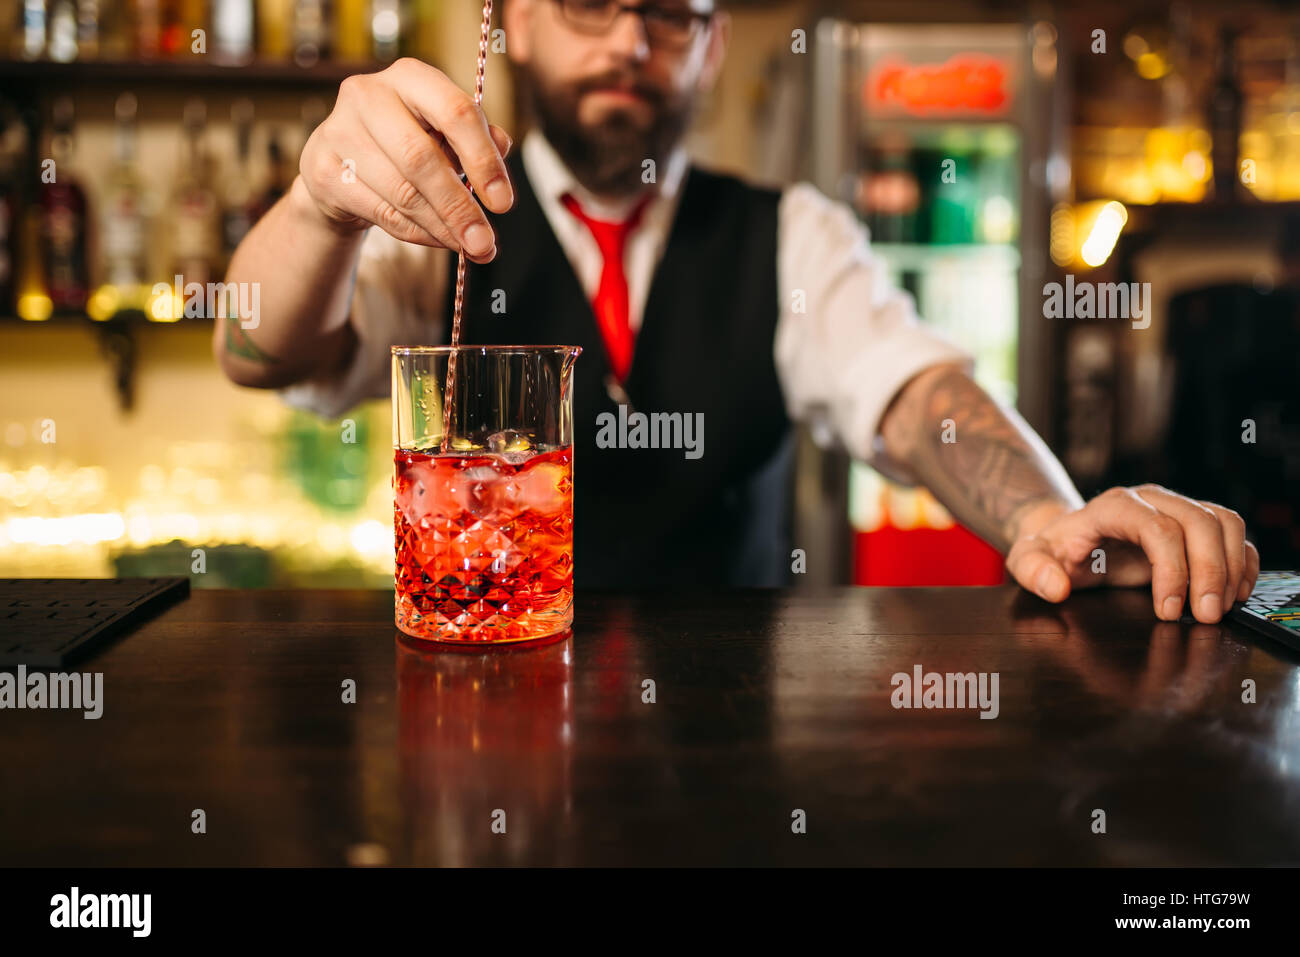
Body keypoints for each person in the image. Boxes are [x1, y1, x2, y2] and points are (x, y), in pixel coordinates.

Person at [215, 0, 1259, 620]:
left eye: (672, 14)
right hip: (486, 729)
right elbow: (260, 352)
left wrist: (1046, 516)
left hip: (727, 761)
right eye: (591, 3)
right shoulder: (420, 220)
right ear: (517, 25)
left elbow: (917, 392)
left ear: (709, 48)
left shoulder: (790, 233)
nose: (631, 40)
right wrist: (317, 207)